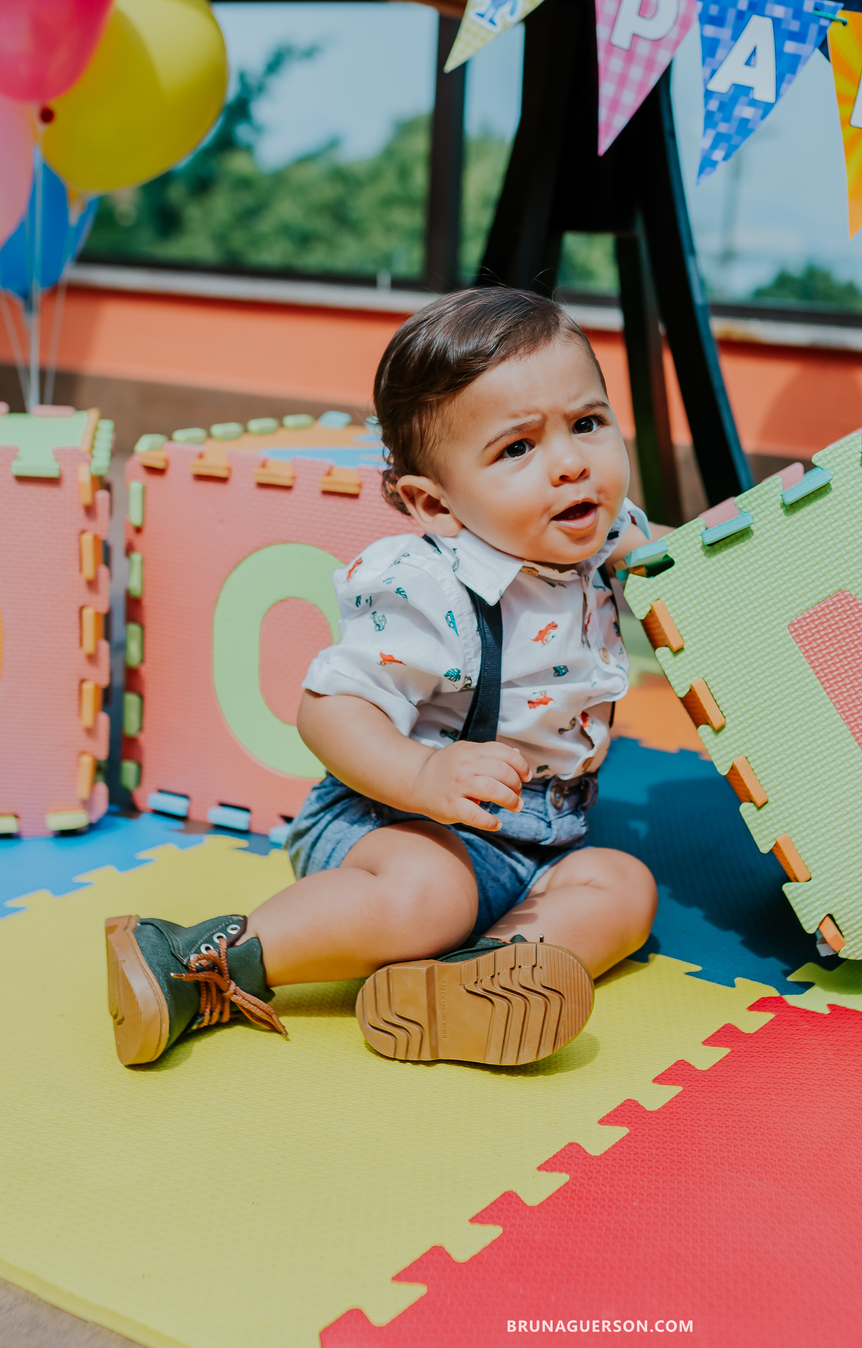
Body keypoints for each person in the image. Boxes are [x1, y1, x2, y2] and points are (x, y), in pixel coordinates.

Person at [105, 288, 659, 1069]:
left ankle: (472, 980)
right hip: (391, 822)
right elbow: (326, 710)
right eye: (517, 448)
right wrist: (423, 774)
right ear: (433, 502)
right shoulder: (433, 590)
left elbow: (677, 552)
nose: (572, 462)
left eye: (589, 423)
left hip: (538, 840)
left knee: (625, 887)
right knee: (431, 893)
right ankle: (201, 962)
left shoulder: (604, 535)